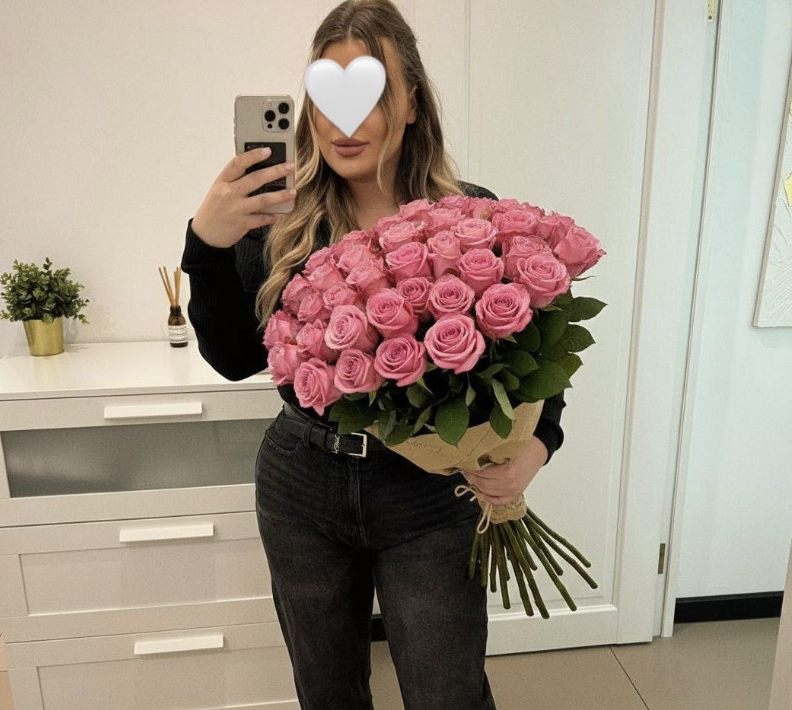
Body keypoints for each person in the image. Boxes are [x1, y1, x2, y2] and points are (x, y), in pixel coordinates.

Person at [181, 1, 565, 708]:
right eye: (327, 95)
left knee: (447, 693)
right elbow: (233, 359)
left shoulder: (470, 217)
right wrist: (205, 245)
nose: (344, 120)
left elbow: (535, 353)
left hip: (430, 490)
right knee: (327, 694)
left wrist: (536, 447)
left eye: (370, 92)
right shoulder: (278, 223)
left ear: (412, 102)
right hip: (302, 484)